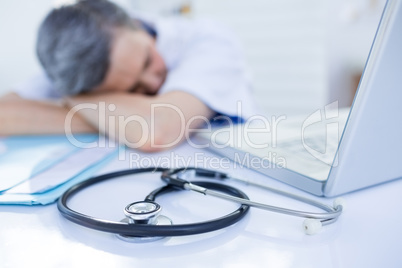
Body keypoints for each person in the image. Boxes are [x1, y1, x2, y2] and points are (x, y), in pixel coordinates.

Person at [0, 0, 255, 152]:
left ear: (135, 23)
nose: (154, 81)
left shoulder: (208, 40)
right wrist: (119, 119)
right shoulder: (74, 64)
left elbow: (156, 130)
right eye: (132, 89)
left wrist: (74, 99)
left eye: (147, 60)